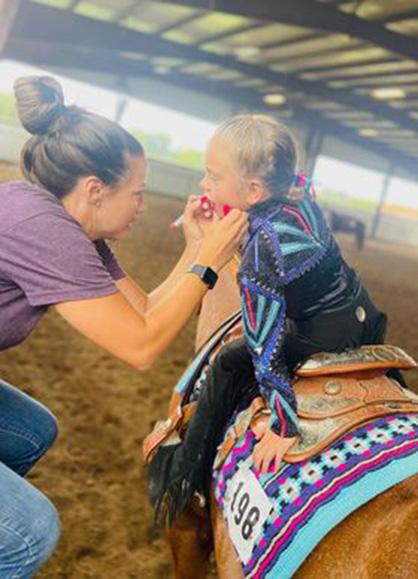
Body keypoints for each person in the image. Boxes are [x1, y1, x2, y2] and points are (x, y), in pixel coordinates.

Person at [0, 75, 248, 577]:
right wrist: (212, 263)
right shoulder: (46, 231)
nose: (144, 205)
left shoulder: (70, 226)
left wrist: (197, 248)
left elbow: (145, 312)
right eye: (136, 193)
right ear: (95, 189)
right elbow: (141, 347)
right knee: (30, 531)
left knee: (30, 432)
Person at [149, 114, 394, 523]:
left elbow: (266, 344)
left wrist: (283, 423)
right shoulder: (303, 195)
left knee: (229, 362)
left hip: (325, 336)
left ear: (253, 189)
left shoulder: (262, 254)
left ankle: (185, 483)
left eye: (212, 175)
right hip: (365, 313)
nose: (204, 184)